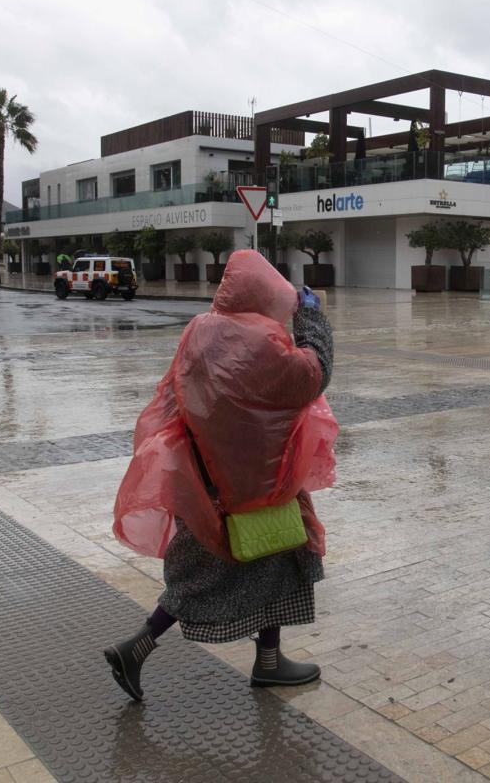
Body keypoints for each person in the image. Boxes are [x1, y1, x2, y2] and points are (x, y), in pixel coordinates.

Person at [104, 250, 337, 701]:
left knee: (275, 562)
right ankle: (135, 649)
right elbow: (311, 374)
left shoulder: (201, 329)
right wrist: (312, 323)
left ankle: (269, 662)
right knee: (207, 575)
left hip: (209, 476)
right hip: (253, 484)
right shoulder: (259, 344)